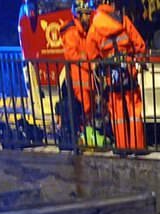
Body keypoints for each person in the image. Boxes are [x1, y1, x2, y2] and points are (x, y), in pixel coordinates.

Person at [87, 0, 147, 153]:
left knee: (118, 113)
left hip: (111, 74)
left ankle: (122, 147)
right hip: (128, 70)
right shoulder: (123, 20)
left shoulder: (94, 28)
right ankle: (137, 147)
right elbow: (139, 44)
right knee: (134, 110)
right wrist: (138, 59)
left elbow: (92, 55)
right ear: (112, 6)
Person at [60, 0, 99, 141]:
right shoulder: (71, 32)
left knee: (91, 109)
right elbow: (72, 54)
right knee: (85, 108)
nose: (89, 17)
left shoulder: (83, 31)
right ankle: (85, 137)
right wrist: (90, 63)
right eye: (86, 15)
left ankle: (89, 135)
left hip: (87, 77)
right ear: (78, 14)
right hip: (80, 78)